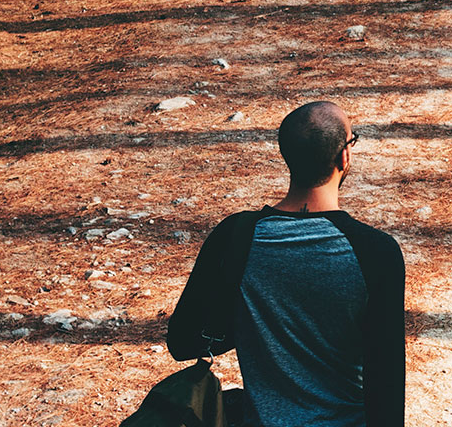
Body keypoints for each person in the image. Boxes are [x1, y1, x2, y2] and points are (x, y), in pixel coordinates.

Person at [167, 101, 404, 427]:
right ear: (344, 157)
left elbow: (182, 342)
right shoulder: (376, 252)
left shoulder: (235, 236)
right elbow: (386, 383)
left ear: (288, 156)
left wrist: (254, 323)